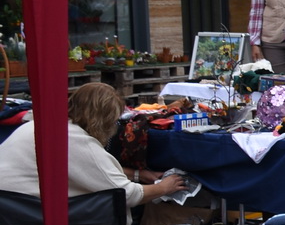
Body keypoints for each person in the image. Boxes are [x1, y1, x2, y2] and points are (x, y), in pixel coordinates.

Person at [0, 82, 186, 214]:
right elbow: (124, 194)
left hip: (11, 208)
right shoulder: (77, 141)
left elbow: (89, 168)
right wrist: (164, 187)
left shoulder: (40, 126)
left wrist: (140, 175)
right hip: (24, 215)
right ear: (104, 120)